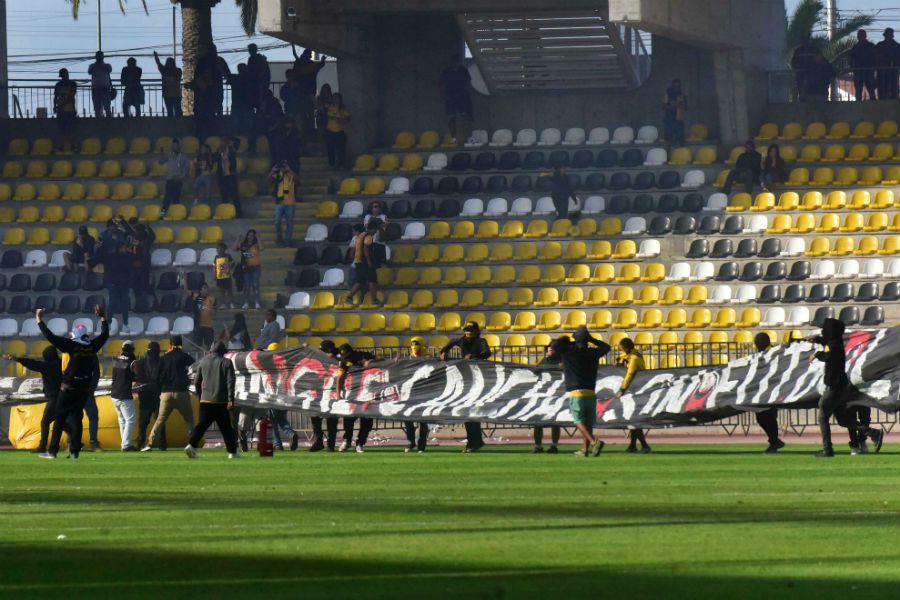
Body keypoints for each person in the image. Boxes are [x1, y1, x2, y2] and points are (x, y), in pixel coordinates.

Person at [37, 304, 109, 460]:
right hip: (83, 390)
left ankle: (52, 451)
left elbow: (50, 336)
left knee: (59, 418)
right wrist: (103, 317)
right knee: (77, 419)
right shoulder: (92, 347)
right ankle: (75, 451)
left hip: (68, 388)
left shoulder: (71, 345)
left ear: (75, 334)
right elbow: (105, 334)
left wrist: (39, 320)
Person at [543, 326, 610, 458]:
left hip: (576, 392)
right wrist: (590, 339)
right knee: (588, 424)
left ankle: (593, 442)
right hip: (591, 392)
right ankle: (584, 450)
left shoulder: (569, 350)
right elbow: (607, 347)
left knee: (578, 420)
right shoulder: (592, 352)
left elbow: (554, 344)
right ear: (587, 339)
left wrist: (571, 341)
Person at [808, 319, 859, 457]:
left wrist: (816, 354)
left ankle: (828, 450)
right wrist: (818, 340)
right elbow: (828, 343)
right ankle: (872, 432)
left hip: (834, 386)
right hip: (839, 386)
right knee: (843, 420)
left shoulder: (834, 345)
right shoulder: (835, 342)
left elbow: (827, 356)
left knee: (823, 416)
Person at [440, 322, 492, 452]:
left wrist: (474, 356)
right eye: (467, 331)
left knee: (471, 414)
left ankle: (474, 442)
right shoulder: (461, 340)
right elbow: (448, 345)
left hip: (478, 379)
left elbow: (487, 353)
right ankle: (474, 442)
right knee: (467, 414)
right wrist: (443, 353)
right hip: (466, 379)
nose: (468, 334)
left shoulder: (480, 341)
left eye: (470, 331)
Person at [185, 341, 239, 459]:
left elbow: (196, 381)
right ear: (223, 352)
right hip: (221, 402)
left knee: (202, 426)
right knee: (226, 428)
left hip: (205, 401)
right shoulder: (227, 362)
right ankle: (232, 452)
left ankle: (191, 445)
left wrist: (201, 396)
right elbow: (230, 382)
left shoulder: (203, 361)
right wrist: (231, 399)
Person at [141, 335, 196, 452]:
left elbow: (157, 377)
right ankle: (191, 444)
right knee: (189, 420)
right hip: (181, 392)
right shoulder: (184, 356)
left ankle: (149, 444)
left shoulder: (164, 358)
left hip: (166, 393)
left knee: (160, 420)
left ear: (170, 344)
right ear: (181, 344)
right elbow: (194, 366)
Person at [4, 346, 62, 454]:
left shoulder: (48, 366)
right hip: (63, 398)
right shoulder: (61, 364)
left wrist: (18, 359)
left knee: (45, 422)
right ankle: (76, 442)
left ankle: (42, 447)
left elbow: (33, 364)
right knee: (62, 421)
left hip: (54, 398)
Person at [335, 343, 376, 453]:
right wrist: (338, 395)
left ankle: (360, 443)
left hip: (367, 394)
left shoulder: (363, 355)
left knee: (367, 421)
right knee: (348, 419)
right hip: (352, 394)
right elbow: (339, 378)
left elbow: (379, 361)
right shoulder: (343, 362)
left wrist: (371, 362)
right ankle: (347, 440)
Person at [751, 333, 785, 454]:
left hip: (770, 392)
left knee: (768, 417)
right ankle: (774, 441)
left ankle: (774, 443)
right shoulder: (758, 356)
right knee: (764, 418)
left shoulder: (770, 355)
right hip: (763, 392)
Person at [615, 338, 650, 454]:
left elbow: (630, 374)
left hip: (635, 390)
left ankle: (644, 446)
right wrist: (619, 359)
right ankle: (633, 445)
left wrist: (622, 389)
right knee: (633, 420)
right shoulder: (632, 355)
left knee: (634, 420)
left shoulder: (634, 359)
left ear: (626, 347)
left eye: (621, 347)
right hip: (633, 390)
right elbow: (622, 357)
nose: (620, 350)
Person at [309, 340, 340, 452]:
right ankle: (319, 441)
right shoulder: (320, 359)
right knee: (315, 416)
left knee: (331, 419)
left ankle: (331, 444)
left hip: (333, 392)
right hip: (320, 392)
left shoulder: (339, 358)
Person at [133, 341, 165, 451]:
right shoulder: (161, 362)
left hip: (147, 395)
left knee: (144, 422)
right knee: (158, 421)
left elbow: (137, 378)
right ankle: (161, 443)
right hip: (156, 395)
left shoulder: (141, 362)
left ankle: (141, 442)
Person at [293, 46, 328, 139]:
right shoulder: (304, 64)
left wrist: (322, 61)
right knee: (306, 113)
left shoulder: (302, 64)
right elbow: (318, 67)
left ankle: (309, 131)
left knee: (309, 113)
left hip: (306, 92)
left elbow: (318, 67)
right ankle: (307, 131)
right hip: (304, 93)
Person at [343, 220, 381, 306]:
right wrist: (369, 261)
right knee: (372, 280)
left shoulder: (360, 235)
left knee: (361, 281)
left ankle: (349, 297)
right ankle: (374, 299)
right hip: (364, 262)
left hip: (358, 262)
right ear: (373, 229)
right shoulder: (368, 236)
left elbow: (354, 248)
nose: (375, 232)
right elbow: (366, 249)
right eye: (375, 230)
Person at [402, 339, 430, 453]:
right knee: (408, 419)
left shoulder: (427, 360)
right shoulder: (406, 361)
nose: (414, 347)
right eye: (413, 345)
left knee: (423, 421)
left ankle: (421, 445)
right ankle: (411, 442)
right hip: (410, 393)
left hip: (424, 393)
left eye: (417, 344)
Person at [110, 341, 139, 451]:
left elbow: (118, 376)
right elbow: (137, 375)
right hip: (124, 394)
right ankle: (126, 445)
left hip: (114, 394)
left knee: (122, 419)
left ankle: (124, 442)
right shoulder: (132, 361)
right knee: (130, 419)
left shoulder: (118, 360)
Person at [439, 54, 473, 145]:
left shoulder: (463, 70)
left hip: (462, 96)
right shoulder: (446, 72)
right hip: (450, 97)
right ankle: (453, 137)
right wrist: (444, 96)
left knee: (464, 117)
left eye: (456, 62)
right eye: (453, 62)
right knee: (451, 117)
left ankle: (464, 136)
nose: (455, 64)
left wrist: (468, 96)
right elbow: (442, 85)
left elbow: (468, 83)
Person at [533, 344, 561, 454]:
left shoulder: (561, 361)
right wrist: (535, 367)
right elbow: (535, 372)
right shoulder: (543, 360)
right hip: (542, 394)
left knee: (555, 422)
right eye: (549, 347)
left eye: (552, 347)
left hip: (556, 395)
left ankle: (554, 445)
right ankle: (538, 445)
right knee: (538, 422)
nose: (550, 349)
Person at [106, 243, 133, 335]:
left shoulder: (129, 257)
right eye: (125, 247)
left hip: (124, 285)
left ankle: (125, 324)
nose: (126, 249)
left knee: (124, 305)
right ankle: (108, 324)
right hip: (114, 284)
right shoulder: (112, 257)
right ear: (120, 248)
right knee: (112, 304)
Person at [270, 161, 298, 247]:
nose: (283, 168)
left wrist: (289, 170)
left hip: (290, 201)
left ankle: (287, 241)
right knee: (277, 221)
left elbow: (297, 180)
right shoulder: (278, 175)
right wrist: (272, 171)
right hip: (279, 201)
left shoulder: (290, 174)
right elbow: (269, 180)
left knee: (289, 222)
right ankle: (280, 239)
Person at [159, 138, 190, 216]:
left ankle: (176, 214)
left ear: (179, 146)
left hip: (178, 180)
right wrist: (162, 154)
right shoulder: (169, 155)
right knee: (167, 197)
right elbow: (160, 162)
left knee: (176, 197)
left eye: (176, 146)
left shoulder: (184, 157)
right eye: (173, 146)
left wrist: (180, 177)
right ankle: (163, 213)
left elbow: (186, 169)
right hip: (169, 179)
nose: (174, 147)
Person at [227, 64, 255, 143]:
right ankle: (248, 146)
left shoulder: (236, 78)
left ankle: (240, 145)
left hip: (240, 107)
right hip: (245, 107)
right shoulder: (250, 79)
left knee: (237, 128)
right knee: (247, 128)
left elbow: (226, 75)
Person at [236, 230, 263, 309]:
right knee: (246, 285)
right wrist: (237, 239)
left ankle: (257, 302)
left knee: (255, 285)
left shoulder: (256, 244)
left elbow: (261, 248)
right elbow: (234, 248)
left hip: (256, 267)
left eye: (252, 235)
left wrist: (258, 238)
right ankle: (246, 303)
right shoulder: (243, 245)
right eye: (249, 235)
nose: (250, 236)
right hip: (246, 267)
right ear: (247, 236)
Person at [53, 68, 78, 152]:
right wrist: (55, 106)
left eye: (63, 75)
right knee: (61, 129)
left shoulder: (72, 84)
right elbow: (56, 97)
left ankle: (73, 146)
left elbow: (71, 96)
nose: (62, 77)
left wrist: (60, 105)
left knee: (71, 129)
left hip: (70, 109)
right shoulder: (58, 84)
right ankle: (60, 146)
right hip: (61, 110)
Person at [187, 279, 217, 350]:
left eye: (207, 288)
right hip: (198, 326)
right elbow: (187, 291)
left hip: (208, 326)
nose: (206, 290)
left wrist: (211, 310)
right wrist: (185, 279)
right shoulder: (197, 297)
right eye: (204, 288)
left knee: (209, 346)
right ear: (200, 290)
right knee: (197, 346)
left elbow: (215, 312)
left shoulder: (212, 299)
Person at [325, 93, 351, 169]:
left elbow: (348, 118)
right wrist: (342, 119)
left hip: (340, 131)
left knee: (341, 149)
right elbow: (336, 119)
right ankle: (332, 164)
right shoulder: (330, 108)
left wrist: (343, 119)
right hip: (330, 131)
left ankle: (341, 164)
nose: (336, 100)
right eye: (334, 98)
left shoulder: (343, 108)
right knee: (331, 149)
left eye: (337, 98)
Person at [216, 137, 241, 216]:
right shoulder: (219, 153)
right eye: (221, 142)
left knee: (234, 195)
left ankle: (239, 212)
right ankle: (225, 212)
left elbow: (237, 141)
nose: (221, 144)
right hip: (222, 176)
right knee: (224, 195)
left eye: (223, 142)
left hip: (231, 176)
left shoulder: (231, 151)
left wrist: (231, 143)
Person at [154, 51, 182, 117]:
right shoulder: (164, 70)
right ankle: (172, 123)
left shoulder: (177, 70)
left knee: (178, 110)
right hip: (167, 94)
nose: (170, 64)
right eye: (169, 63)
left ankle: (178, 122)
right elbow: (159, 64)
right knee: (170, 111)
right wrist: (156, 57)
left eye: (171, 63)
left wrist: (173, 70)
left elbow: (179, 77)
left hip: (176, 94)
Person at [852, 30, 877, 101]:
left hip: (868, 71)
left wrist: (872, 67)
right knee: (858, 91)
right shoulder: (855, 47)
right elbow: (852, 60)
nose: (861, 37)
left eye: (862, 35)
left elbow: (875, 58)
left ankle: (873, 103)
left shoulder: (870, 46)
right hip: (859, 72)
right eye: (860, 36)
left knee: (870, 89)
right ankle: (858, 103)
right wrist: (854, 69)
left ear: (865, 36)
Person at [876, 28, 900, 100]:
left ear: (891, 36)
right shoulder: (880, 45)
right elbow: (876, 57)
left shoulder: (897, 46)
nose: (888, 37)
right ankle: (882, 100)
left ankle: (894, 99)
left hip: (893, 71)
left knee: (893, 87)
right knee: (882, 87)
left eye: (889, 35)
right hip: (882, 70)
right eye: (887, 35)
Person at [88, 51, 113, 118]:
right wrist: (97, 65)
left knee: (107, 106)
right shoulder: (92, 66)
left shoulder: (107, 65)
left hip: (105, 88)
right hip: (96, 88)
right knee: (97, 107)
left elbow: (109, 69)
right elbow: (89, 71)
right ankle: (98, 120)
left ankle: (109, 120)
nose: (99, 57)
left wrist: (101, 65)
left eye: (100, 56)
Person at [246, 43, 271, 109]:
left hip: (259, 83)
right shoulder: (251, 59)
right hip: (254, 83)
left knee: (260, 100)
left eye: (251, 49)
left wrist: (259, 78)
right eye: (249, 50)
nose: (250, 51)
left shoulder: (259, 58)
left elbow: (264, 70)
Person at [662, 79, 687, 144]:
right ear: (672, 86)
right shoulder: (668, 94)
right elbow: (664, 107)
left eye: (678, 86)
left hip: (679, 119)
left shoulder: (681, 95)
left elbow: (686, 108)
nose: (676, 88)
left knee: (681, 140)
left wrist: (681, 104)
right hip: (669, 119)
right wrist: (674, 105)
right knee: (668, 140)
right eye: (675, 86)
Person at [213, 243, 236, 308]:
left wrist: (229, 267)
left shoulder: (228, 256)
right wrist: (214, 274)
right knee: (221, 291)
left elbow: (233, 263)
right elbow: (214, 266)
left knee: (229, 291)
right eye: (217, 248)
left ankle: (231, 303)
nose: (217, 250)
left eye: (219, 248)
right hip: (219, 277)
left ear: (223, 249)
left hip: (227, 276)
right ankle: (223, 304)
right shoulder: (216, 257)